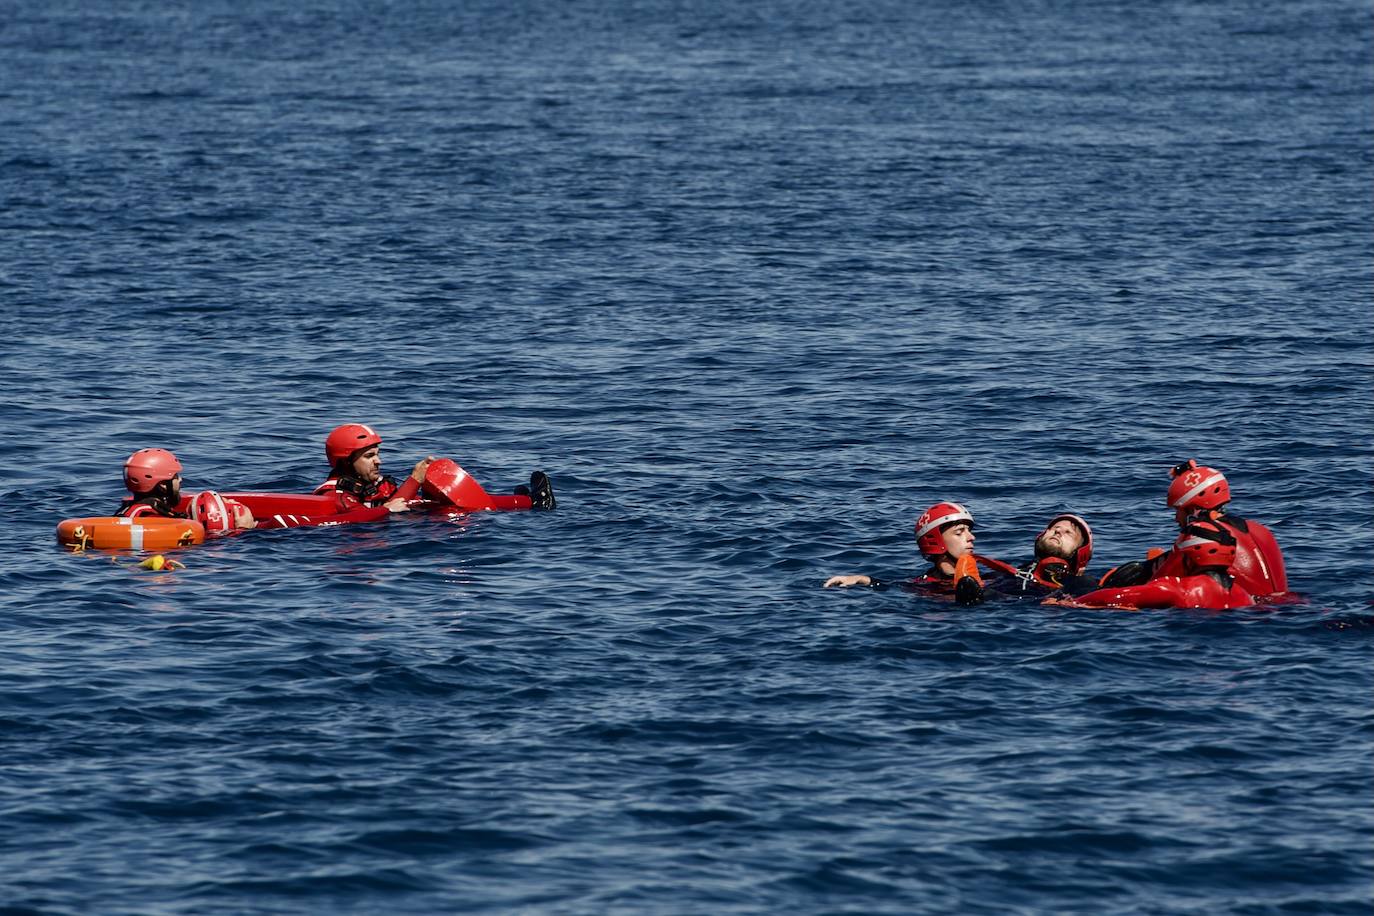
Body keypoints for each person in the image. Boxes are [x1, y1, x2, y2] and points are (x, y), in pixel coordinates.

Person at [1099, 460, 1286, 597]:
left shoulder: (1203, 532)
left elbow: (1161, 581)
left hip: (1238, 614)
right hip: (1281, 606)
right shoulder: (1260, 529)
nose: (1176, 519)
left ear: (1191, 509)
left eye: (1178, 511)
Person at [1066, 519, 1254, 610]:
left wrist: (1069, 603)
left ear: (1191, 557)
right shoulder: (1243, 594)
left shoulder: (1177, 588)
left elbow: (1115, 596)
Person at [824, 501, 982, 590]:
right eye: (959, 532)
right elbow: (889, 586)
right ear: (936, 541)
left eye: (969, 530)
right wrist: (860, 579)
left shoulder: (991, 580)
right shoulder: (922, 587)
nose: (971, 537)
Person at [954, 514, 1099, 605]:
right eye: (1054, 528)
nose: (1058, 531)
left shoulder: (1083, 583)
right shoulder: (1012, 572)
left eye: (1068, 533)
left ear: (1081, 554)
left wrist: (1066, 603)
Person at [115, 448, 188, 519]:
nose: (180, 479)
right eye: (176, 476)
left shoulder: (129, 509)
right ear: (163, 484)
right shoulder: (154, 519)